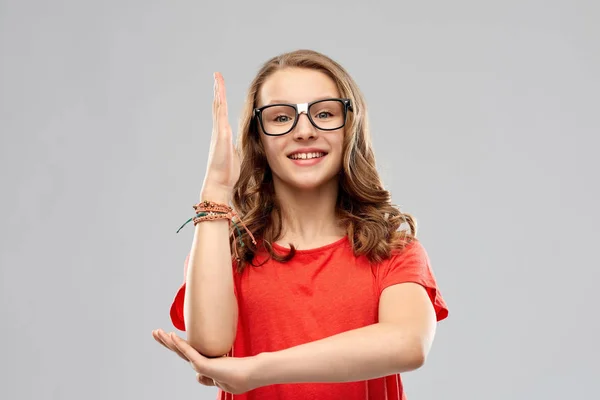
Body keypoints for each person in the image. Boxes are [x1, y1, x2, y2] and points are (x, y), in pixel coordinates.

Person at [152, 49, 449, 400]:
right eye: (281, 118)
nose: (304, 131)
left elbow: (408, 343)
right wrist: (216, 188)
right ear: (257, 137)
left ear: (348, 129)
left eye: (324, 113)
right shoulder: (225, 251)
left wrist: (258, 370)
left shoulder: (393, 252)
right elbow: (211, 344)